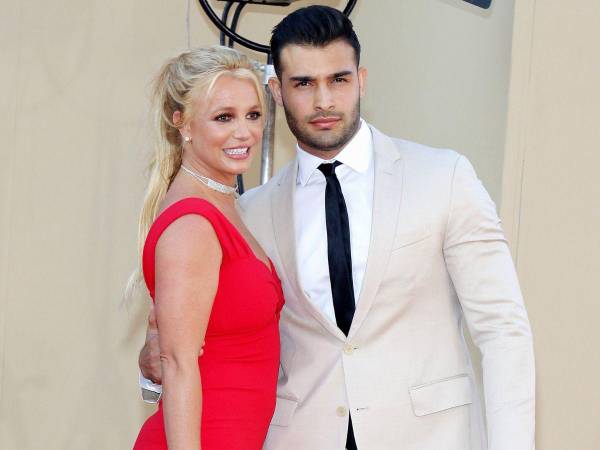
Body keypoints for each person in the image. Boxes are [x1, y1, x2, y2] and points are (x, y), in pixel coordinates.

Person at [140, 6, 535, 450]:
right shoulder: (249, 214)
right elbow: (206, 341)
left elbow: (503, 329)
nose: (324, 101)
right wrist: (152, 361)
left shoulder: (444, 178)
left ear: (361, 80)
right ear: (277, 92)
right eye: (303, 83)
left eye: (339, 80)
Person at [132, 46, 284, 450]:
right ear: (182, 123)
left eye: (253, 114)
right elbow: (178, 365)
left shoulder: (225, 205)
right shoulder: (192, 223)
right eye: (224, 117)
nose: (244, 132)